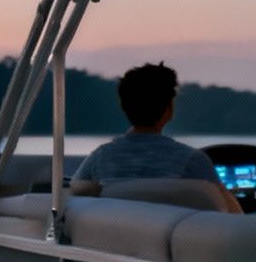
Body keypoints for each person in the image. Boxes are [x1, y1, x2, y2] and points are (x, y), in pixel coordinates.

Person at [73, 63, 223, 186]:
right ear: (169, 109)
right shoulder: (193, 161)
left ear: (124, 107)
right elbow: (227, 208)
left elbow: (73, 192)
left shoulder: (100, 158)